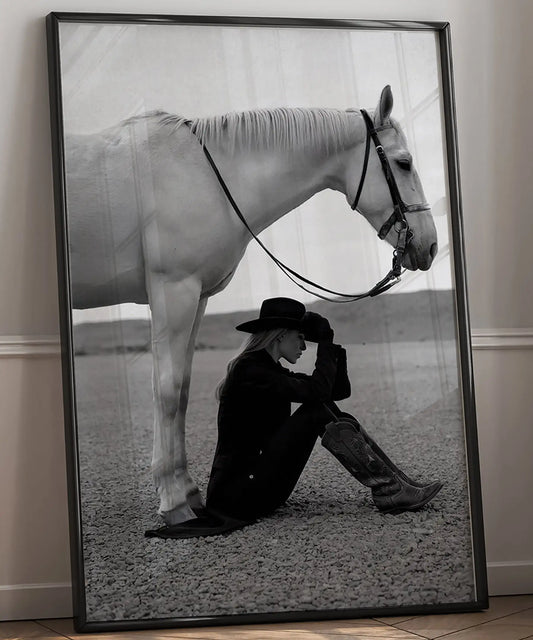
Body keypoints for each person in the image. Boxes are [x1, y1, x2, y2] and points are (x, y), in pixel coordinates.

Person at [146, 297, 442, 539]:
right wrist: (324, 342)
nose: (303, 346)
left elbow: (336, 391)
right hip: (240, 496)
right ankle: (391, 489)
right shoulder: (251, 370)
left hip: (254, 488)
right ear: (280, 335)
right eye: (300, 338)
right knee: (316, 409)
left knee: (329, 410)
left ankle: (395, 484)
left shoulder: (268, 369)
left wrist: (328, 343)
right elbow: (318, 393)